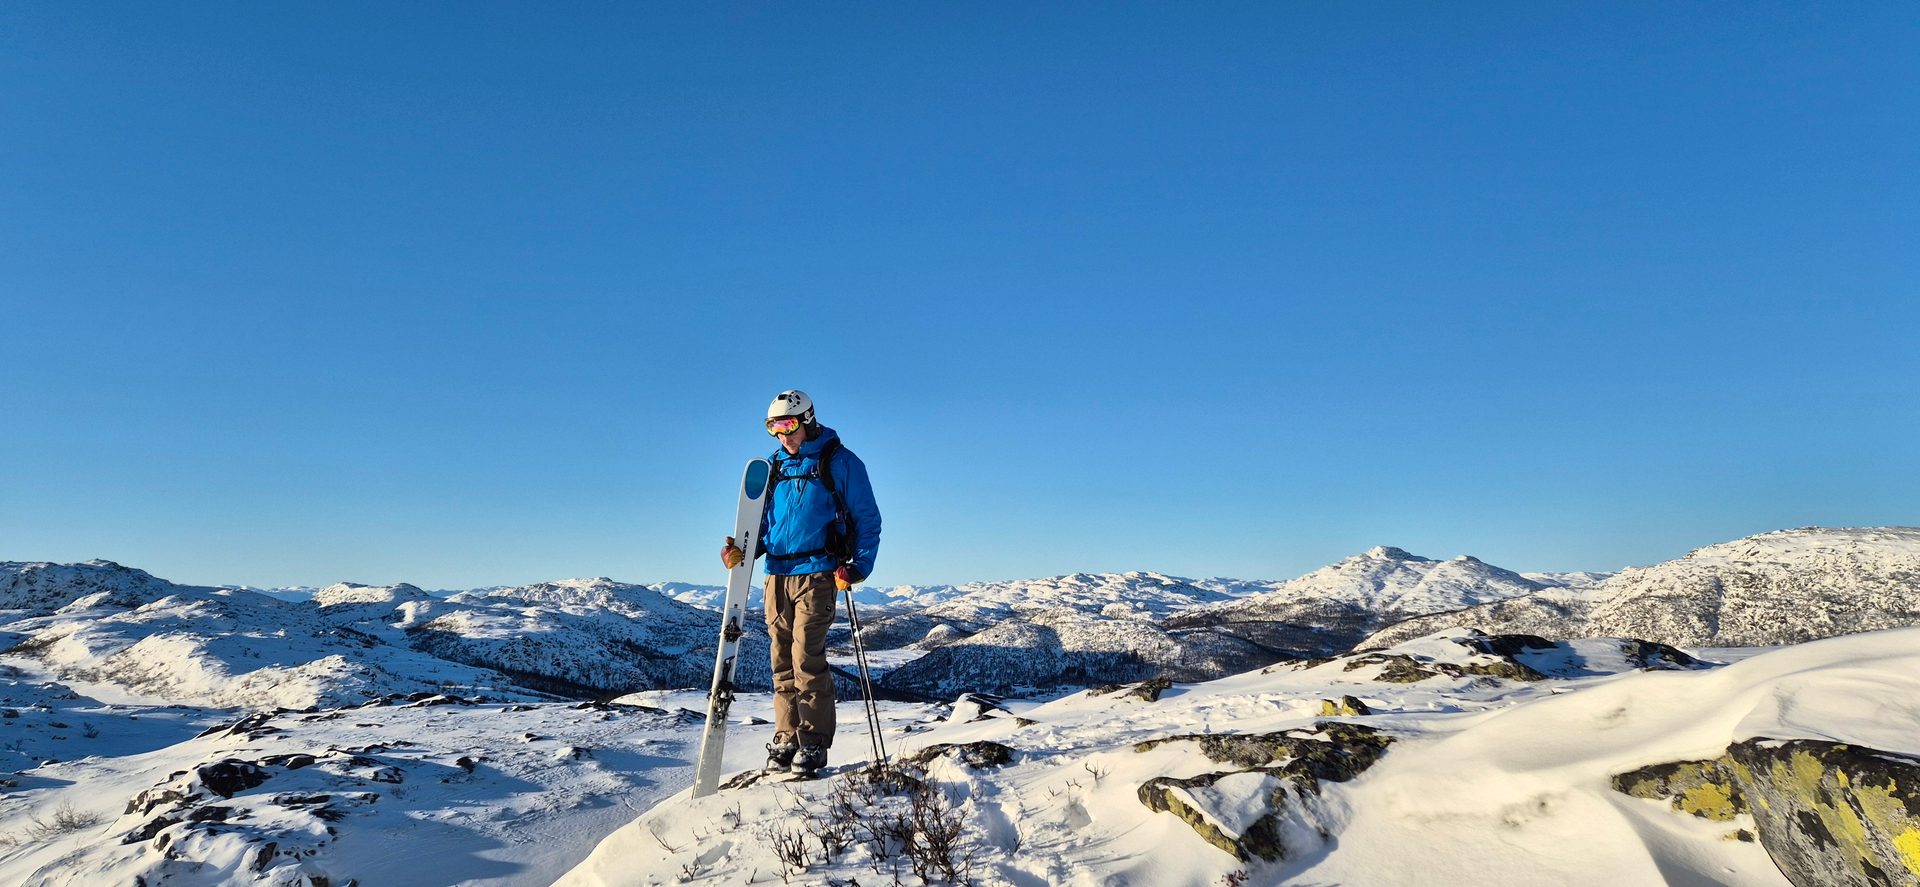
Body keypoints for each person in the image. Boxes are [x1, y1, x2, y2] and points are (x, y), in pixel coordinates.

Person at [721, 389, 881, 777]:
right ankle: (786, 736)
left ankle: (813, 742)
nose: (782, 436)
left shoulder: (840, 462)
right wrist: (741, 552)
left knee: (805, 657)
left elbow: (867, 518)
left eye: (789, 425)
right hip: (776, 574)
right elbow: (760, 524)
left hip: (819, 571)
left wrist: (858, 566)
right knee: (780, 661)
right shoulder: (773, 466)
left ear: (807, 420)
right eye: (773, 428)